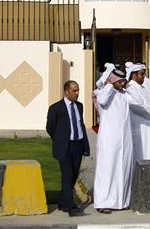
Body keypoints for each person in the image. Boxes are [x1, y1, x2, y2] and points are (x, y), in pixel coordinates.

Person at [93, 69, 144, 214]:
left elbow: (139, 102)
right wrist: (110, 84)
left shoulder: (124, 95)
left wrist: (128, 87)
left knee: (123, 169)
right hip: (109, 139)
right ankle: (103, 202)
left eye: (124, 81)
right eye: (120, 82)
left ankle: (121, 201)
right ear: (113, 81)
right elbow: (101, 101)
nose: (123, 84)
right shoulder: (104, 92)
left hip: (124, 140)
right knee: (108, 169)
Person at [45, 80, 90, 217]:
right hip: (64, 147)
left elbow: (80, 124)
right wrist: (60, 140)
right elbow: (50, 128)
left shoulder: (79, 106)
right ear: (66, 92)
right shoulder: (56, 108)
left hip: (78, 145)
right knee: (67, 175)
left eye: (78, 90)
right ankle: (71, 207)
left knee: (74, 175)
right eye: (74, 90)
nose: (77, 93)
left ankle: (63, 202)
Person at [126, 62, 150, 162]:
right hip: (142, 128)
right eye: (141, 74)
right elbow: (138, 106)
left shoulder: (141, 88)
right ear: (134, 75)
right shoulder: (130, 88)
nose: (144, 77)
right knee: (143, 155)